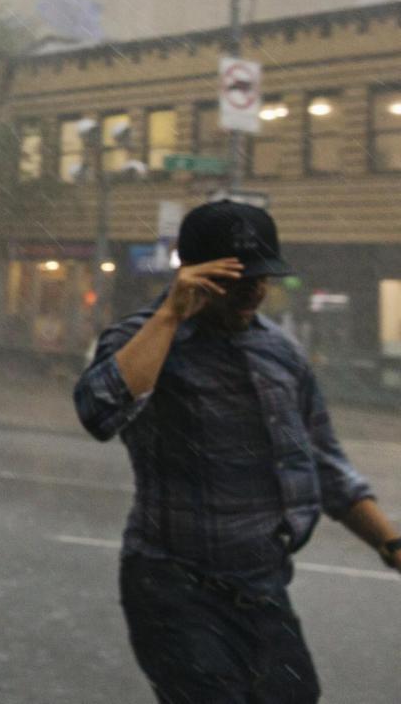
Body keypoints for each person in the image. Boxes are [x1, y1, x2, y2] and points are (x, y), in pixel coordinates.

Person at [74, 200, 401, 704]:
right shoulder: (144, 338)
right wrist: (168, 316)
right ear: (195, 274)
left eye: (262, 275)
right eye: (235, 276)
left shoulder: (282, 352)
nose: (254, 288)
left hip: (262, 587)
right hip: (174, 588)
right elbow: (99, 412)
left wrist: (389, 543)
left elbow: (324, 464)